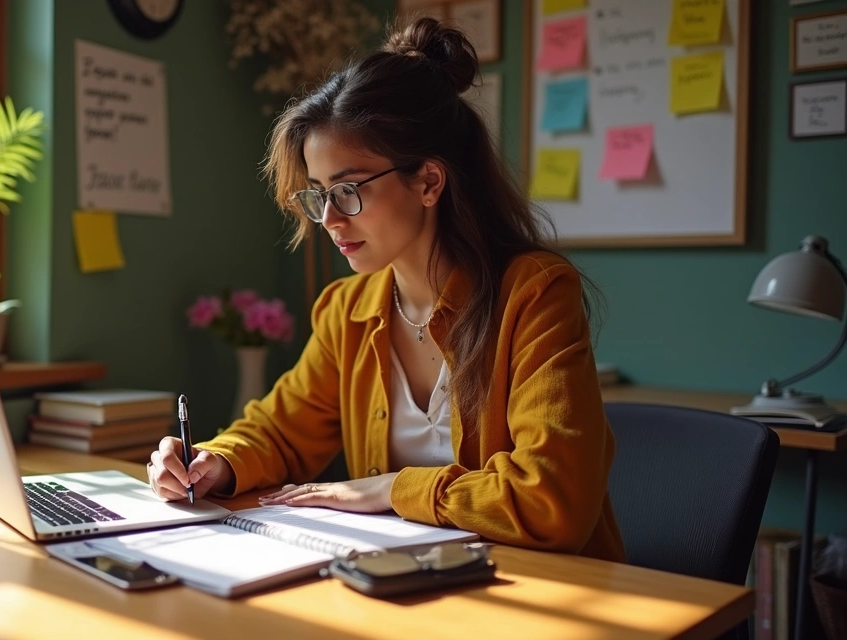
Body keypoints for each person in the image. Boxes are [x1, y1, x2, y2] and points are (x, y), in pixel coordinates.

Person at [148, 16, 625, 562]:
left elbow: (552, 499)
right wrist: (214, 461)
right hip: (407, 582)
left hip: (545, 589)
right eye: (318, 194)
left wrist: (393, 489)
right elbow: (279, 432)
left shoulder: (535, 295)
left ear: (428, 182)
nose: (329, 219)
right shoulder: (347, 309)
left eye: (348, 189)